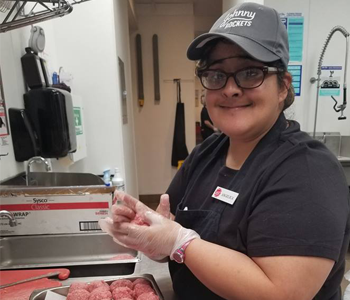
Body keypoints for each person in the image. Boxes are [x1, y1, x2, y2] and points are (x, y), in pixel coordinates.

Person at [100, 2, 350, 300]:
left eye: (249, 72)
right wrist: (152, 233)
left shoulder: (307, 171)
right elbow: (173, 232)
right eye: (217, 75)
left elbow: (283, 293)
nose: (230, 89)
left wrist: (180, 243)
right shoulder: (208, 153)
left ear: (283, 86)